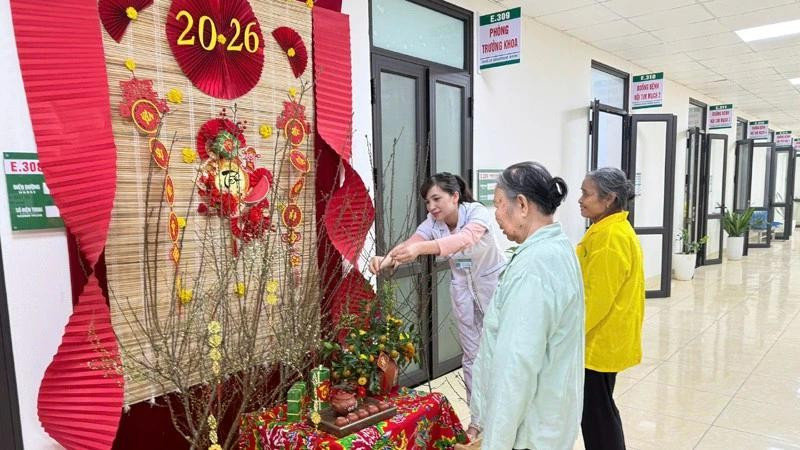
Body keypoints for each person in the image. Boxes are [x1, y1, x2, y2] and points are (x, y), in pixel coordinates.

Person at [368, 172, 506, 437]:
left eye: (436, 199)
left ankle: (504, 417)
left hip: (493, 287)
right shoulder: (434, 221)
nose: (431, 207)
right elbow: (413, 243)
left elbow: (464, 240)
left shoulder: (476, 213)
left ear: (454, 196)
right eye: (427, 202)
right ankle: (478, 421)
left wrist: (421, 250)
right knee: (472, 357)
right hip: (463, 291)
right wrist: (385, 259)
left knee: (500, 354)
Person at [469, 162, 584, 450]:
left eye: (497, 204)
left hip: (529, 434)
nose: (495, 216)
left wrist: (494, 444)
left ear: (521, 204)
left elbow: (515, 369)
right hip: (548, 422)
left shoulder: (534, 266)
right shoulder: (557, 248)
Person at [577, 167, 645, 450]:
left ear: (609, 199)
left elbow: (597, 299)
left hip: (599, 342)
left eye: (586, 193)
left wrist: (568, 334)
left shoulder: (610, 237)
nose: (580, 199)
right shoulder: (605, 228)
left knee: (597, 415)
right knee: (598, 411)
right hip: (602, 337)